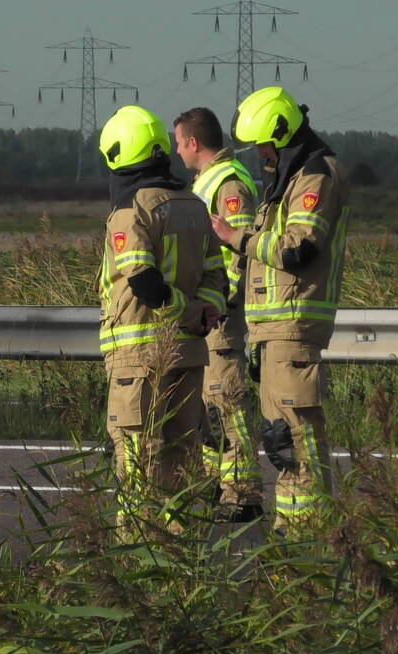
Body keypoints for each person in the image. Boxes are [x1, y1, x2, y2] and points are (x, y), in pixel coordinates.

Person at [210, 87, 350, 531]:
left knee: (294, 433)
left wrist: (237, 239)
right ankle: (293, 529)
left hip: (294, 323)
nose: (261, 156)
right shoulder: (287, 179)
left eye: (264, 147)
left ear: (281, 133)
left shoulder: (315, 175)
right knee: (279, 436)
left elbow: (298, 250)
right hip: (274, 328)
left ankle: (305, 532)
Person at [98, 105, 227, 532]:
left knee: (138, 457)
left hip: (140, 356)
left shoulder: (132, 209)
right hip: (188, 355)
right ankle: (183, 548)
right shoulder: (193, 204)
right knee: (183, 456)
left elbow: (145, 283)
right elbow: (216, 276)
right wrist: (201, 314)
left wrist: (186, 313)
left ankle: (139, 551)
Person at [173, 107, 263, 523]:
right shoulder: (207, 182)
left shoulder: (228, 184)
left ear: (193, 143)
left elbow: (237, 252)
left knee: (228, 401)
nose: (176, 151)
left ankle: (243, 493)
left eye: (179, 143)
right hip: (209, 314)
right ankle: (217, 484)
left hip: (221, 315)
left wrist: (218, 303)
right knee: (210, 405)